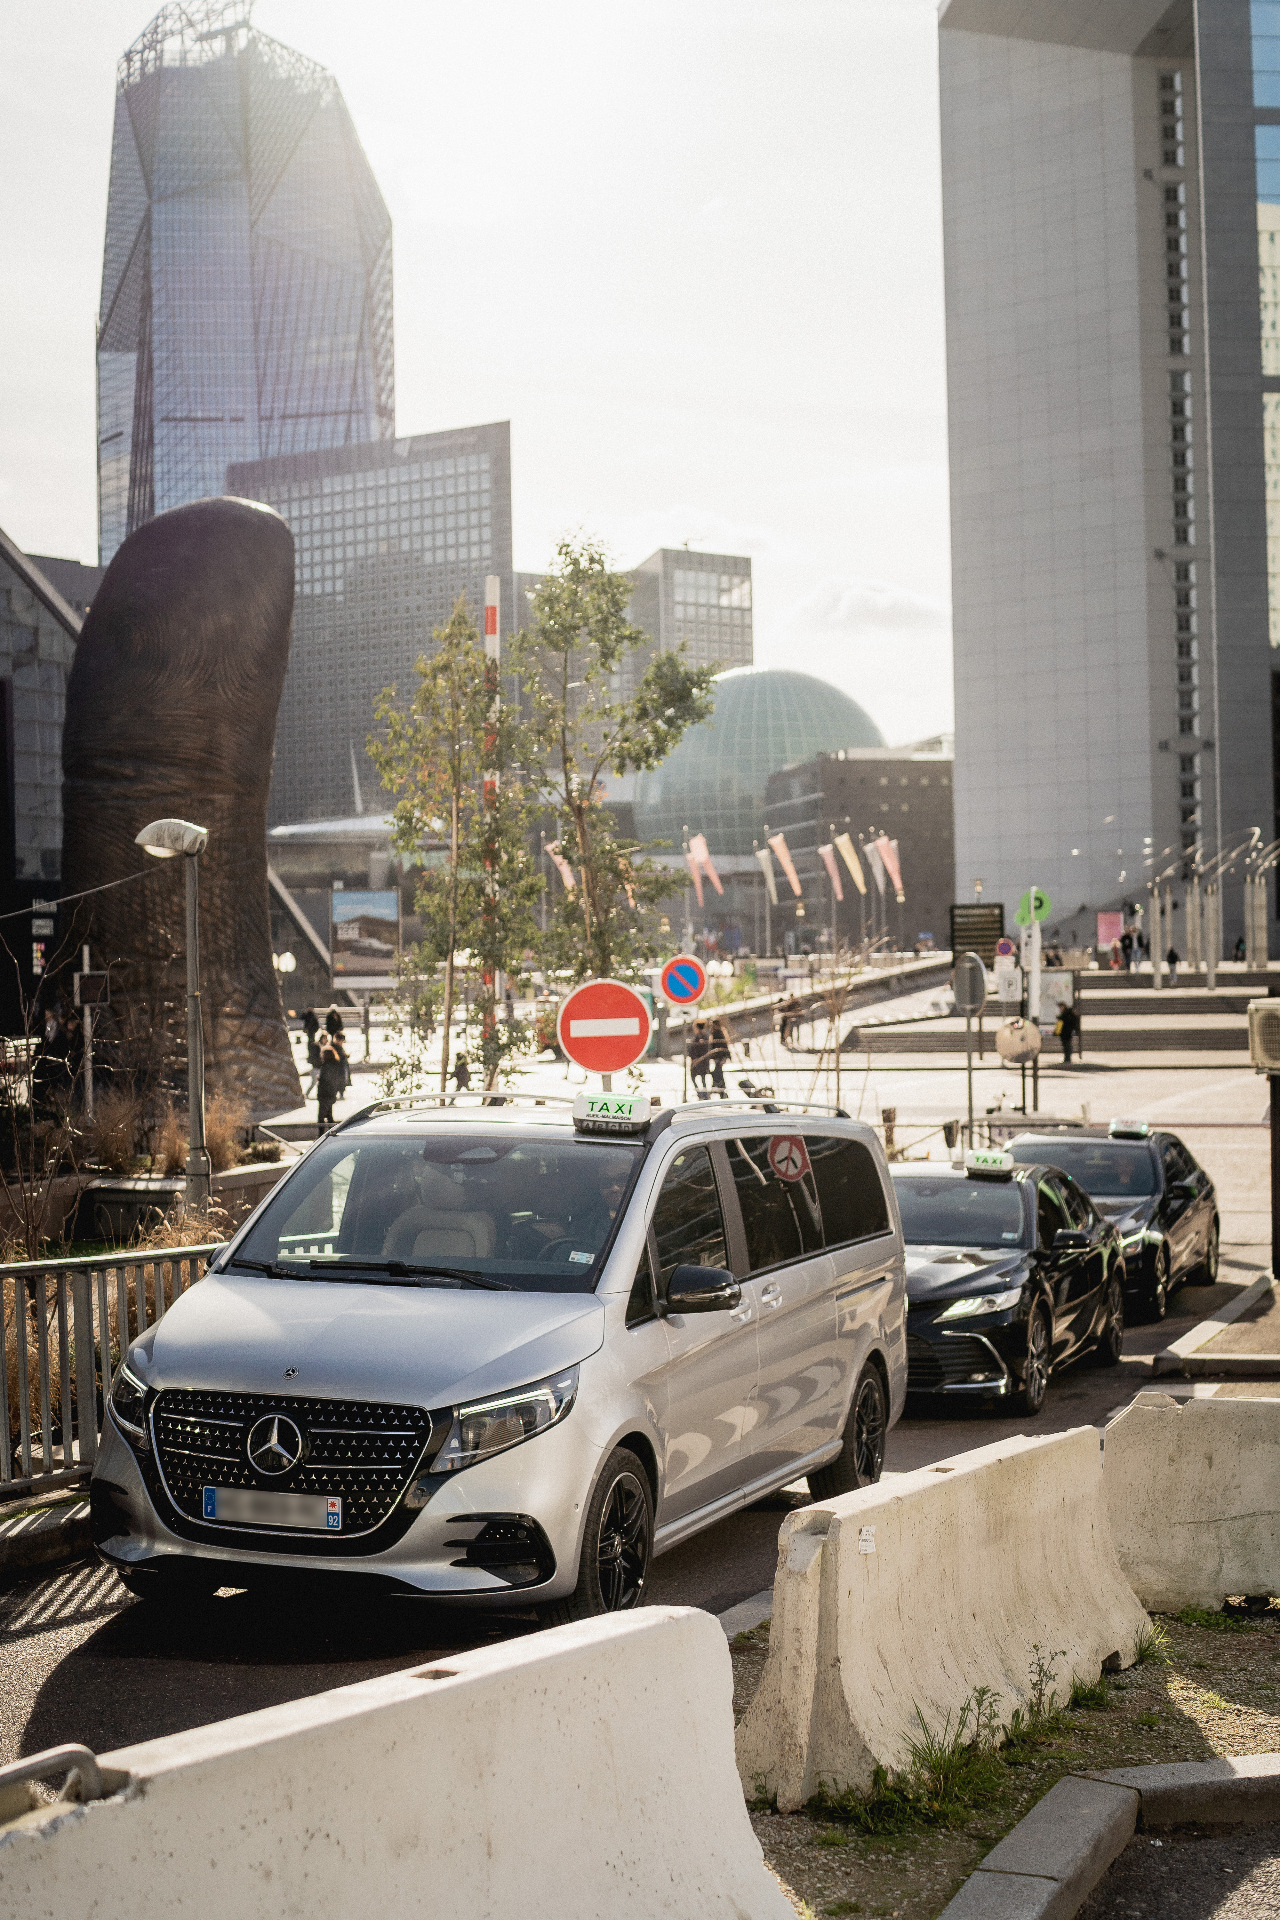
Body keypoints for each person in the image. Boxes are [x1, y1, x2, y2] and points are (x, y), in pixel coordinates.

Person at [316, 1033, 344, 1133]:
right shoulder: (335, 1065)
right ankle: (333, 1133)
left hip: (324, 1095)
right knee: (329, 1116)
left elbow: (325, 1081)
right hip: (331, 1094)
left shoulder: (326, 1066)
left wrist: (319, 1079)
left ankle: (321, 1136)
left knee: (321, 1118)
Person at [707, 1017, 731, 1098]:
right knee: (718, 1074)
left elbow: (723, 1046)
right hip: (718, 1058)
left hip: (719, 1058)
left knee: (717, 1074)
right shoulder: (718, 1033)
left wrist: (724, 1058)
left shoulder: (718, 1034)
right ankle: (722, 1092)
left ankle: (720, 1091)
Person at [688, 1021, 712, 1098]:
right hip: (704, 1062)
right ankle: (704, 1094)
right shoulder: (706, 1036)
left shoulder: (698, 1038)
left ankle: (701, 1093)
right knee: (703, 1078)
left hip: (697, 1061)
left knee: (694, 1077)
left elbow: (693, 1050)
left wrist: (694, 1058)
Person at [301, 1009, 321, 1096]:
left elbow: (301, 1018)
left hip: (310, 1032)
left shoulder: (310, 1016)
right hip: (311, 1032)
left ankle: (308, 1093)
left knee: (310, 1044)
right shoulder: (312, 1016)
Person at [1056, 1000, 1079, 1065]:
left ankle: (1068, 1059)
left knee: (1067, 1046)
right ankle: (1067, 1058)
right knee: (1066, 1046)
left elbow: (1069, 1022)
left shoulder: (1068, 1013)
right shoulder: (1066, 1013)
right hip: (1064, 1032)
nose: (1060, 1008)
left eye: (1061, 1007)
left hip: (1067, 1032)